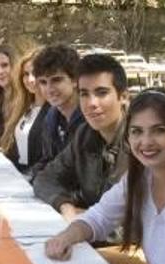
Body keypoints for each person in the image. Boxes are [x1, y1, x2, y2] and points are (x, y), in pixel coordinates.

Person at [42, 89, 165, 264]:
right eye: (136, 131)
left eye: (159, 131)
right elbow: (100, 216)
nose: (146, 141)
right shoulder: (140, 178)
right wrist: (67, 236)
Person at [32, 54, 128, 220]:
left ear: (124, 97)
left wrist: (86, 220)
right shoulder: (85, 135)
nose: (91, 103)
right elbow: (45, 178)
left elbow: (139, 219)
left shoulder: (139, 142)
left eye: (101, 93)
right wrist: (65, 205)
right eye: (84, 94)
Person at [28, 45, 83, 179]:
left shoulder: (91, 118)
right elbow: (47, 160)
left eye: (56, 80)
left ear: (75, 80)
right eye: (43, 82)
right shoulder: (51, 118)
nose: (49, 89)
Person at [0, 48, 50, 174]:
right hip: (16, 175)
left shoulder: (54, 111)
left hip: (35, 179)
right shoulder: (22, 107)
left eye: (36, 73)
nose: (30, 79)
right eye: (26, 74)